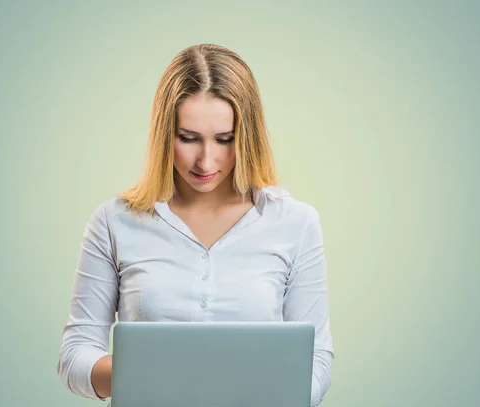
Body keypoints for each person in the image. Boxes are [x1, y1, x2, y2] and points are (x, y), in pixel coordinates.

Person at [57, 43, 335, 407]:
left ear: (247, 137)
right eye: (188, 138)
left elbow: (317, 361)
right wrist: (147, 370)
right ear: (163, 135)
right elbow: (75, 355)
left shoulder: (295, 223)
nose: (206, 161)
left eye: (225, 140)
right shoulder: (113, 222)